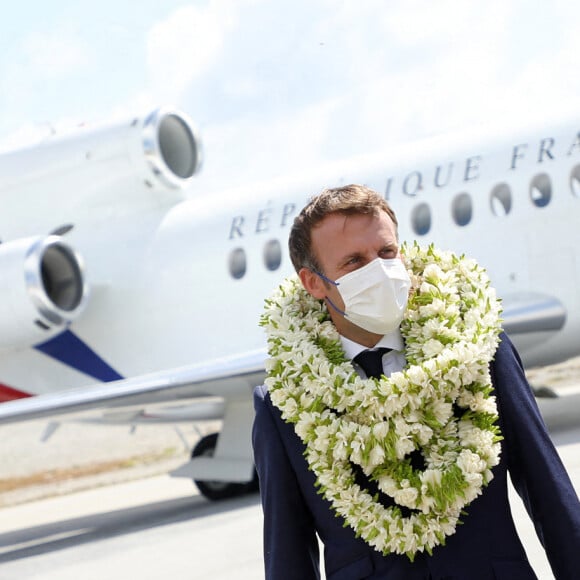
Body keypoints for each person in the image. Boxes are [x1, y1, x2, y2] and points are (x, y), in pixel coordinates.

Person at [252, 184, 580, 579]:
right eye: (354, 262)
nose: (379, 270)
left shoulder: (476, 353)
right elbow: (289, 556)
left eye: (386, 252)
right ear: (314, 283)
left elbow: (549, 492)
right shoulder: (285, 405)